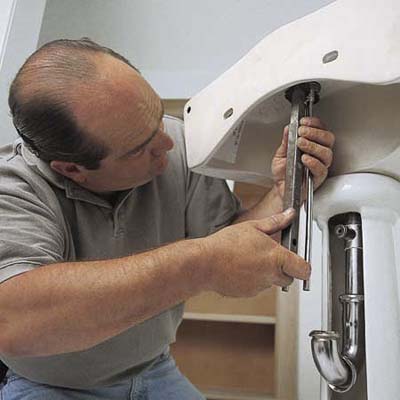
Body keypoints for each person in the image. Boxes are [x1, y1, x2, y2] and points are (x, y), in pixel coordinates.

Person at [0, 38, 334, 399]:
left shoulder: (174, 140)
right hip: (53, 387)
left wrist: (284, 192)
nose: (168, 144)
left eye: (158, 117)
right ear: (72, 169)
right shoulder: (14, 189)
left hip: (155, 368)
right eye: (140, 148)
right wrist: (200, 263)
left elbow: (232, 245)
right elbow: (14, 318)